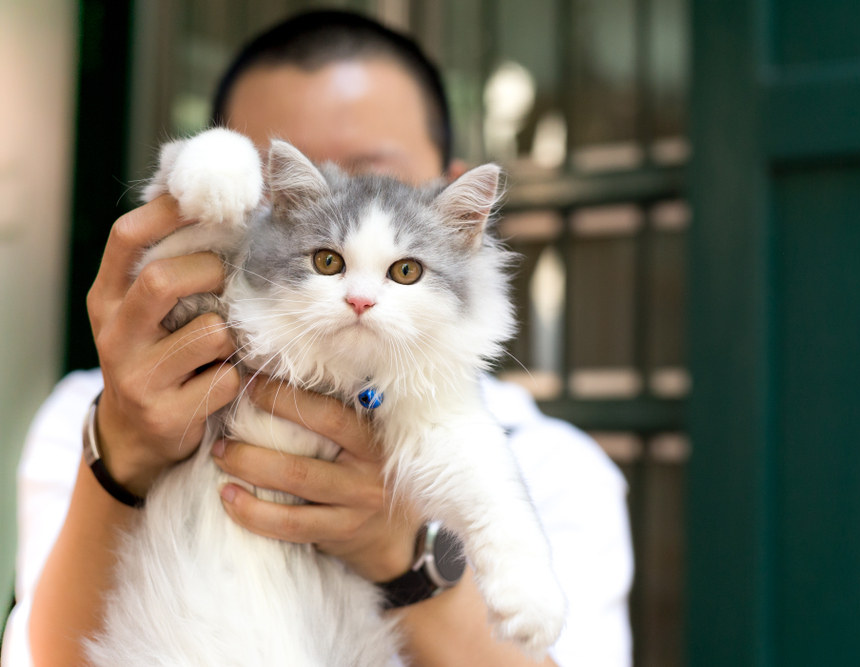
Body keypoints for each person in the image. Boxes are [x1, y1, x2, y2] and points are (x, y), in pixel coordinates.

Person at [1, 11, 633, 667]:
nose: (332, 191)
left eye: (365, 169)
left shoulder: (557, 465)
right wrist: (117, 452)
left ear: (453, 194)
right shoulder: (88, 409)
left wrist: (403, 558)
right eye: (285, 183)